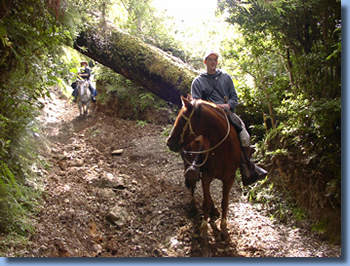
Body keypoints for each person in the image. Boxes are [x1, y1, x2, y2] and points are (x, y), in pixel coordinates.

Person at [190, 50, 268, 186]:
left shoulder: (226, 77)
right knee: (194, 139)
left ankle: (247, 167)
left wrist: (227, 105)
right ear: (205, 62)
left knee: (244, 136)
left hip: (226, 113)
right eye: (210, 60)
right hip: (207, 118)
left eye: (215, 60)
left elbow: (234, 97)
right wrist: (212, 109)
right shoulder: (198, 81)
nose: (213, 62)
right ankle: (195, 166)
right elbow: (196, 103)